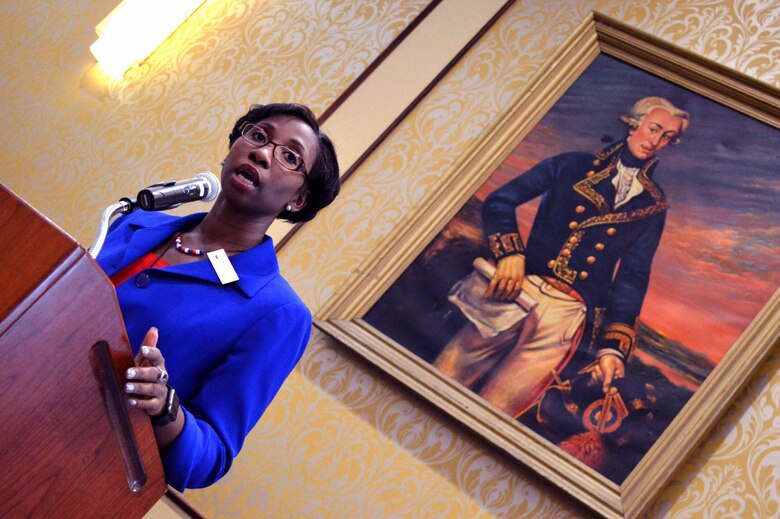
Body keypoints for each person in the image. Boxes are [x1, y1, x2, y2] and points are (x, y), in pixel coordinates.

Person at [96, 103, 340, 490]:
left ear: (298, 200)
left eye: (289, 156)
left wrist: (163, 404)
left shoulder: (277, 313)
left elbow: (208, 459)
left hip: (77, 463)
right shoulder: (133, 221)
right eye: (258, 135)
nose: (261, 152)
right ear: (232, 150)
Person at [434, 96, 690, 419]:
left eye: (668, 137)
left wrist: (613, 349)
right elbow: (500, 201)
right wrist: (512, 254)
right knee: (444, 375)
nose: (656, 141)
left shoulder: (654, 206)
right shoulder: (571, 165)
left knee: (497, 410)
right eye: (654, 129)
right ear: (633, 124)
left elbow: (632, 279)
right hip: (518, 288)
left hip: (566, 315)